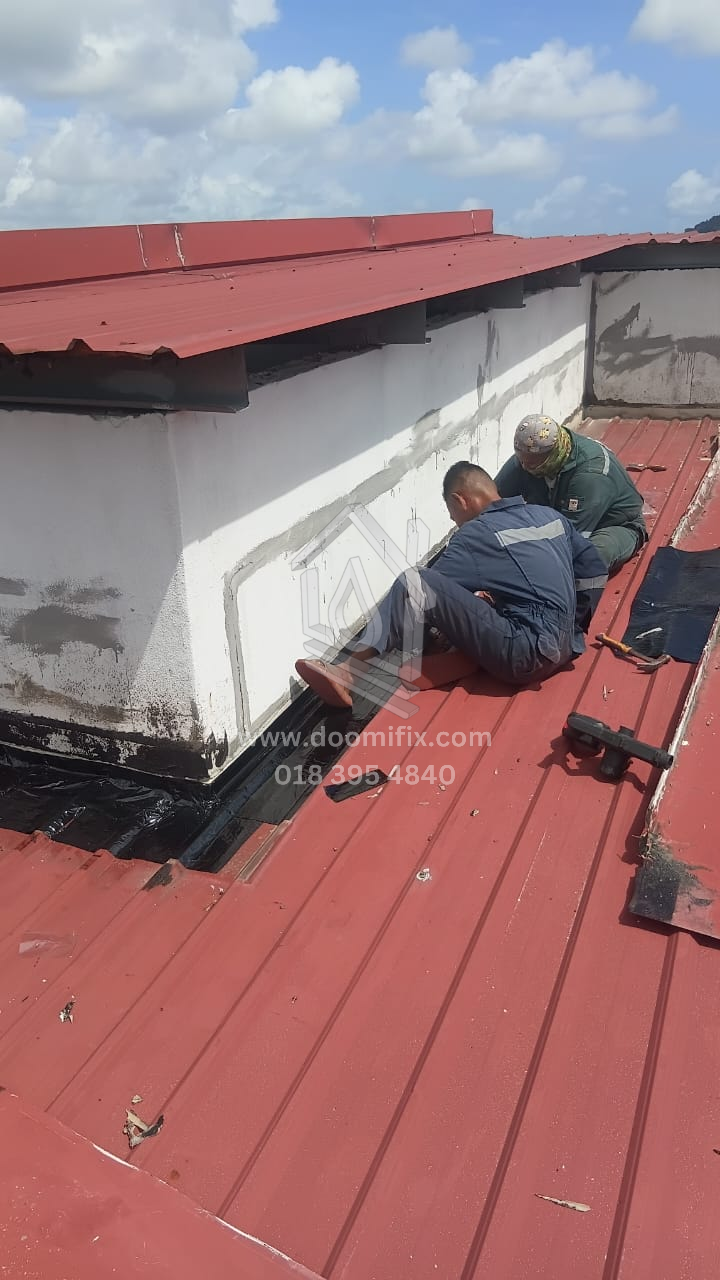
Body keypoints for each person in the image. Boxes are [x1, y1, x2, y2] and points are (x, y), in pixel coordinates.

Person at [294, 462, 609, 711]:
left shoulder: (475, 534)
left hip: (523, 656)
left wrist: (431, 636)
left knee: (414, 582)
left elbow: (423, 595)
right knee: (490, 602)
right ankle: (472, 656)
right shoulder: (548, 516)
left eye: (452, 513)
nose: (454, 521)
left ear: (461, 500)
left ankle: (348, 673)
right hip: (564, 649)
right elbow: (594, 570)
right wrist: (573, 629)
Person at [495, 415, 646, 575]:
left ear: (552, 454)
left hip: (611, 525)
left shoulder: (591, 473)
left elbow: (569, 539)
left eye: (532, 464)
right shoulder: (529, 453)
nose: (525, 467)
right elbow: (491, 500)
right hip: (556, 519)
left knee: (586, 559)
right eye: (521, 460)